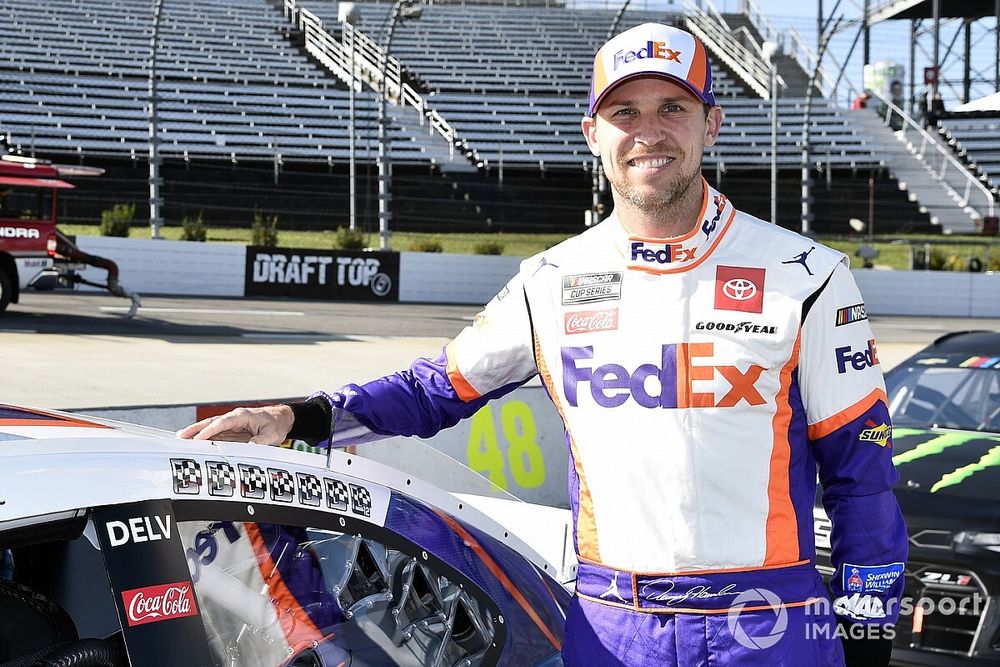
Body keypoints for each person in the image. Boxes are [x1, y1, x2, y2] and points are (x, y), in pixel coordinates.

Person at [180, 23, 907, 667]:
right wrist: (298, 417)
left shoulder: (807, 274)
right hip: (614, 622)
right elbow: (438, 389)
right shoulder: (552, 282)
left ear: (710, 124)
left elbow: (862, 474)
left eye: (672, 108)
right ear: (594, 133)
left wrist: (869, 633)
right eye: (625, 111)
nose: (648, 131)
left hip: (774, 620)